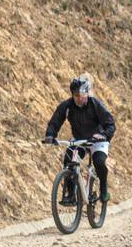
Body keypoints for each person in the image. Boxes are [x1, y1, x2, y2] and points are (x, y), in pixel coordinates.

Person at [44, 75, 116, 205]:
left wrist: (104, 135)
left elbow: (110, 124)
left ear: (87, 93)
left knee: (99, 162)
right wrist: (50, 135)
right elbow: (55, 121)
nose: (80, 98)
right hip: (79, 140)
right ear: (72, 94)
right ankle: (71, 195)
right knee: (69, 160)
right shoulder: (67, 106)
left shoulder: (96, 104)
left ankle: (103, 188)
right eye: (76, 95)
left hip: (97, 139)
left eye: (83, 94)